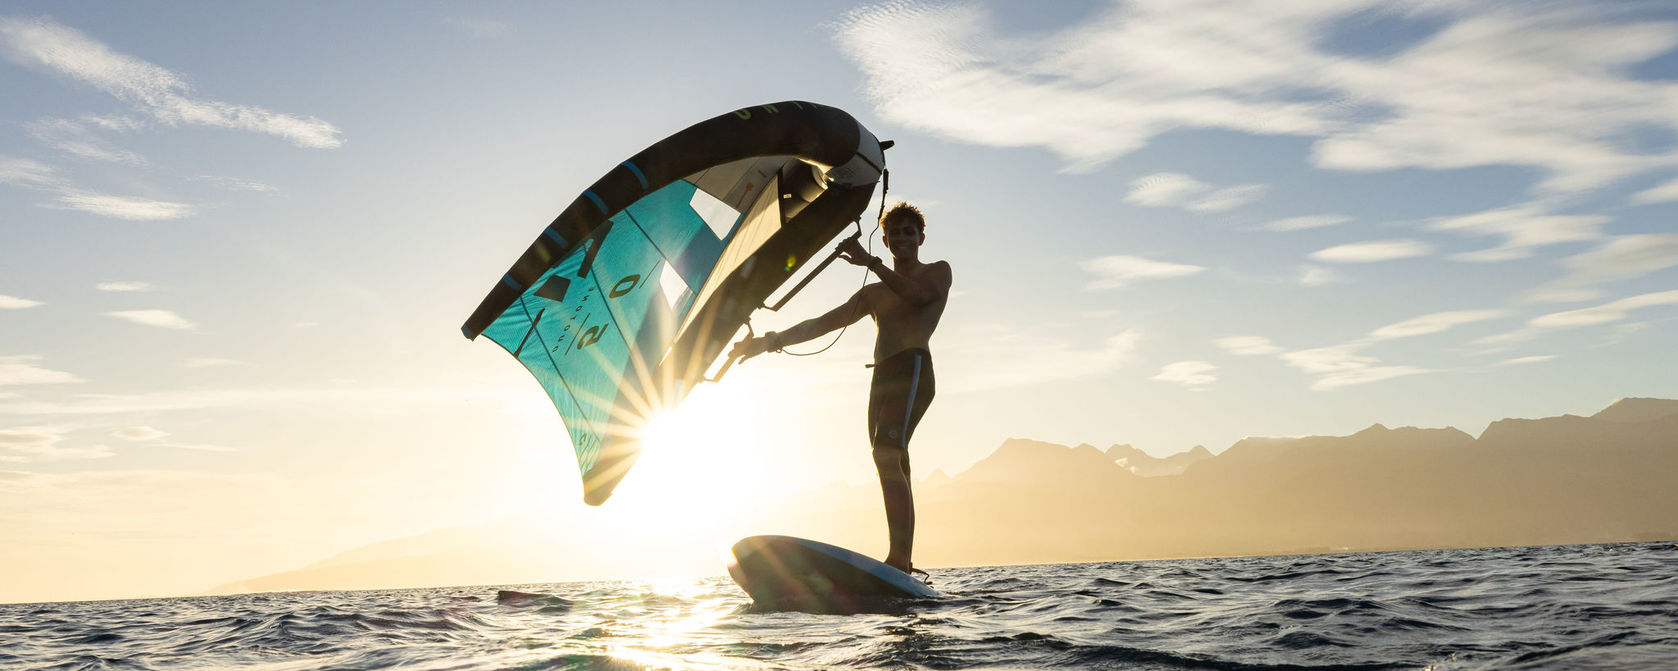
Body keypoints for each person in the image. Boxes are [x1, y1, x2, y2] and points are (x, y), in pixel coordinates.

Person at [730, 202, 951, 575]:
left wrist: (870, 262)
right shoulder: (873, 295)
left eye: (908, 233)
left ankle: (898, 559)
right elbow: (822, 323)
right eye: (894, 234)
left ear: (921, 239)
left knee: (887, 453)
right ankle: (904, 560)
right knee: (891, 461)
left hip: (912, 367)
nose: (901, 239)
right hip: (881, 376)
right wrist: (768, 341)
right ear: (885, 239)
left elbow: (918, 297)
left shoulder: (937, 272)